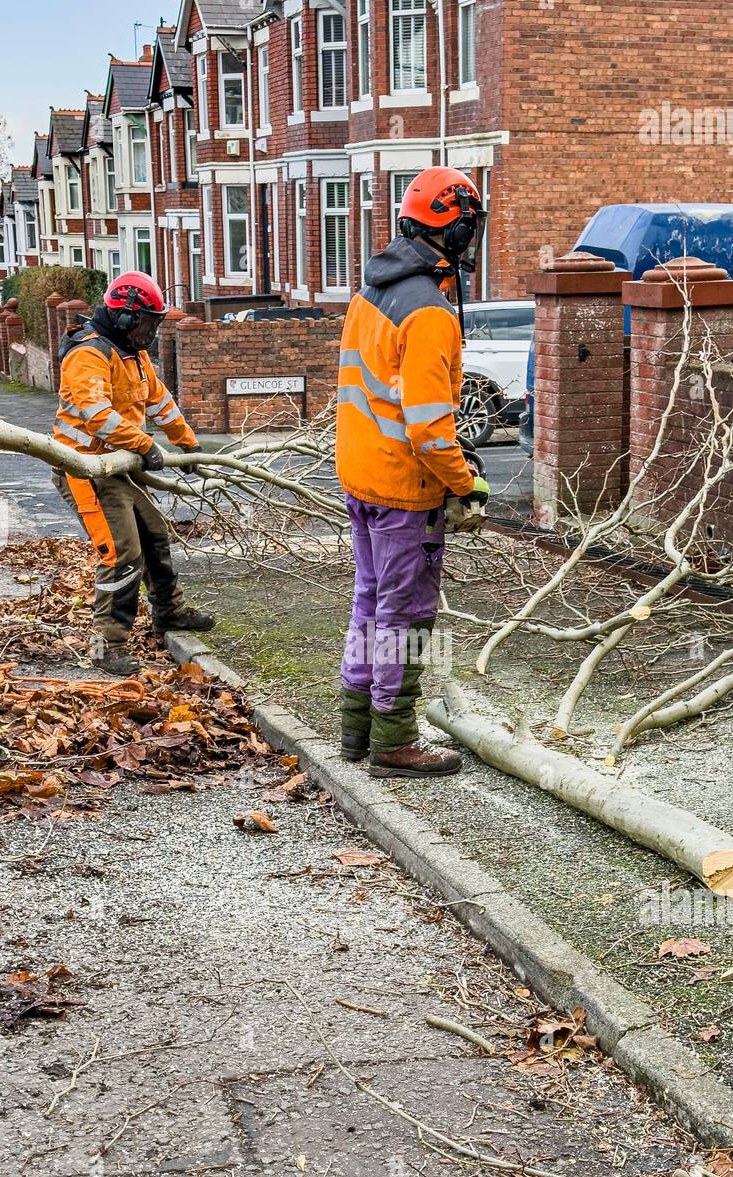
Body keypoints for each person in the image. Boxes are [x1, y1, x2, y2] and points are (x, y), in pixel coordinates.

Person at [335, 166, 490, 778]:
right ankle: (393, 741)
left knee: (369, 603)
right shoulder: (429, 311)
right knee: (406, 617)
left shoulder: (370, 292)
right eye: (469, 227)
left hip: (362, 476)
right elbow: (428, 427)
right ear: (454, 228)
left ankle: (355, 729)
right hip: (405, 489)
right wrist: (464, 481)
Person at [52, 271, 214, 676]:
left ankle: (169, 613)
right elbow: (97, 416)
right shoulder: (87, 354)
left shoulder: (134, 355)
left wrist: (187, 444)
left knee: (155, 535)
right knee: (122, 553)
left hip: (116, 467)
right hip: (84, 468)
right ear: (125, 317)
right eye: (148, 322)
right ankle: (108, 644)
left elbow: (161, 402)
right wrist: (145, 445)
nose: (152, 332)